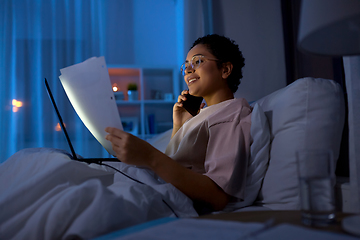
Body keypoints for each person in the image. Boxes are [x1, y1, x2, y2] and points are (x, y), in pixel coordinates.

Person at [105, 34, 251, 213]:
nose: (188, 70)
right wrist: (179, 126)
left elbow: (217, 196)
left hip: (165, 197)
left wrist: (149, 156)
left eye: (197, 61)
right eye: (186, 65)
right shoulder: (204, 115)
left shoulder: (231, 114)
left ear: (225, 69)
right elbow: (177, 161)